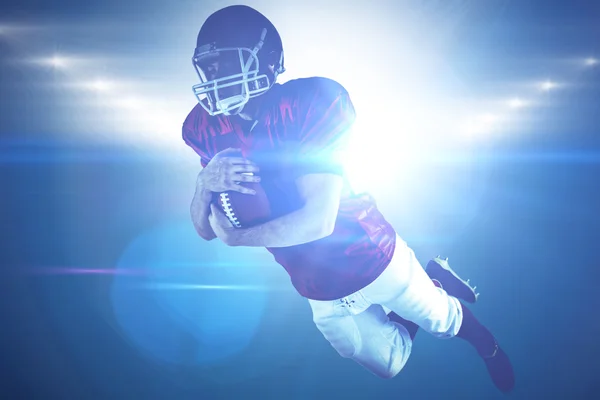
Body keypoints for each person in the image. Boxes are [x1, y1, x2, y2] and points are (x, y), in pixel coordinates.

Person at [183, 4, 515, 393]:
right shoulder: (203, 128)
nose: (215, 76)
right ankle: (432, 275)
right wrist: (204, 184)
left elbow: (318, 221)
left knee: (444, 321)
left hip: (368, 255)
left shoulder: (311, 100)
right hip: (313, 284)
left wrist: (237, 237)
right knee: (390, 363)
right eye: (210, 66)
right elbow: (204, 230)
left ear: (266, 62)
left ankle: (486, 343)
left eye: (226, 63)